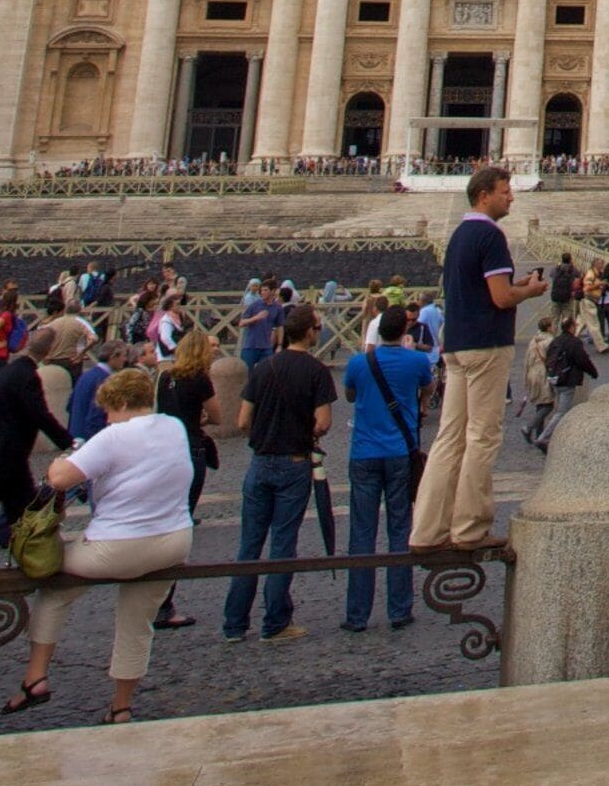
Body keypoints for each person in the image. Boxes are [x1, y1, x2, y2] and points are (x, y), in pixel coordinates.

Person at [6, 368, 195, 724]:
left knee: (56, 588)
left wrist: (57, 464)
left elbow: (61, 479)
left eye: (109, 410)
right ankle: (121, 706)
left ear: (122, 403)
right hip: (174, 541)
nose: (107, 418)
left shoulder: (113, 436)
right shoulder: (174, 426)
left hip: (117, 546)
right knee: (138, 623)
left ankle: (36, 676)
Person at [413, 165, 529, 549]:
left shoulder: (459, 235)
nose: (511, 197)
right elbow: (500, 297)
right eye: (505, 191)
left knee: (449, 437)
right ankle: (470, 528)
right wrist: (529, 291)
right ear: (484, 195)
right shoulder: (490, 236)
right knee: (483, 437)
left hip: (457, 346)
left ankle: (427, 530)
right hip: (485, 345)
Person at [221, 305, 335, 641]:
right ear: (311, 332)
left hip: (259, 462)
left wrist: (263, 436)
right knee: (283, 543)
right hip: (295, 462)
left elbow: (243, 421)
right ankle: (275, 623)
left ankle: (234, 624)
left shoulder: (263, 366)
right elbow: (324, 423)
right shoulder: (316, 371)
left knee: (249, 545)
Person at [340, 305, 434, 631]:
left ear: (378, 332)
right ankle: (399, 609)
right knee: (399, 529)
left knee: (361, 534)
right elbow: (429, 386)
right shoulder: (417, 361)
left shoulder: (358, 363)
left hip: (364, 452)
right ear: (404, 330)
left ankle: (357, 614)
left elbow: (350, 395)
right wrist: (419, 405)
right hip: (399, 452)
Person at [0, 326, 71, 542]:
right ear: (50, 351)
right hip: (6, 459)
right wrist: (68, 442)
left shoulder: (6, 372)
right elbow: (41, 415)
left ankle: (32, 557)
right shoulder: (27, 376)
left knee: (19, 512)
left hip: (1, 457)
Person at [149, 324, 221, 634]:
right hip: (190, 451)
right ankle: (164, 605)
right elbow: (217, 416)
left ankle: (150, 598)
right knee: (180, 525)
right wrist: (200, 416)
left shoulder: (165, 378)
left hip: (164, 451)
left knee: (162, 523)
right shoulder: (200, 380)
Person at [526, 315, 597, 448]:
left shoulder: (555, 341)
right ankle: (543, 437)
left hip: (553, 378)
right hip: (566, 379)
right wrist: (593, 372)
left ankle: (540, 432)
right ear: (571, 327)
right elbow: (582, 360)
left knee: (552, 407)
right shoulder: (573, 342)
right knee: (561, 411)